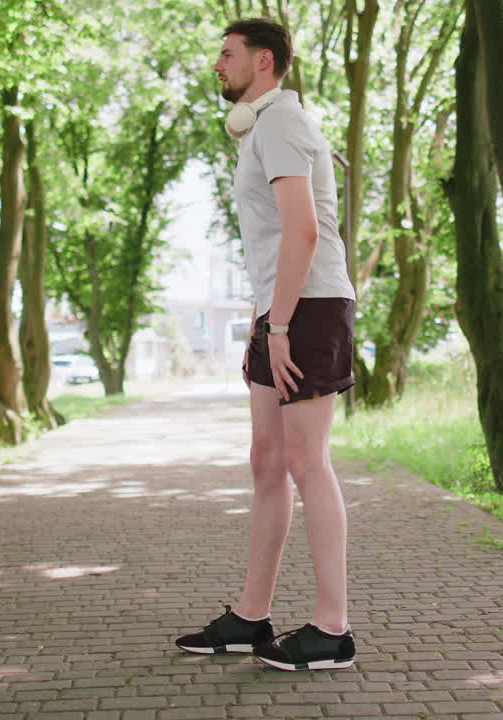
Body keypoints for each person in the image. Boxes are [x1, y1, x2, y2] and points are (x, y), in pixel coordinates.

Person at [174, 17, 357, 672]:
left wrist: (278, 327)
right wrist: (263, 321)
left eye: (228, 55)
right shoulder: (263, 127)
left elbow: (302, 233)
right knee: (266, 460)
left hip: (306, 308)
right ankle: (250, 620)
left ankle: (332, 629)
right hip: (278, 310)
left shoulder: (280, 123)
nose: (217, 65)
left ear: (266, 61)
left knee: (309, 463)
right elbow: (276, 242)